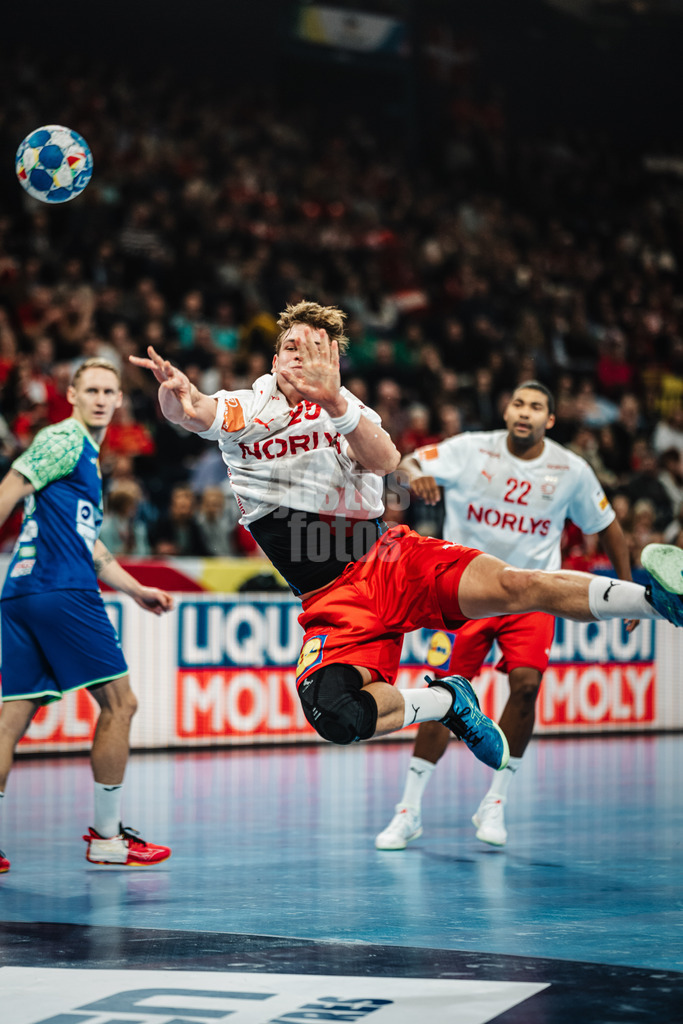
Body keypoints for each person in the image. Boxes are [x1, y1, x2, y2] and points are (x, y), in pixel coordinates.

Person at [130, 301, 683, 774]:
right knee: (334, 715)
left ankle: (656, 600)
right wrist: (176, 395)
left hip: (391, 559)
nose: (304, 357)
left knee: (517, 586)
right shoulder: (250, 407)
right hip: (330, 600)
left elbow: (388, 461)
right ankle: (445, 701)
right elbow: (197, 411)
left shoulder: (349, 408)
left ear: (335, 361)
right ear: (274, 361)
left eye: (319, 349)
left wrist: (336, 403)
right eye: (293, 348)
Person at [375, 381, 633, 851]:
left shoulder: (571, 469)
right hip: (464, 596)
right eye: (518, 403)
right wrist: (415, 476)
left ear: (550, 421)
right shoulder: (472, 450)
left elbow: (610, 528)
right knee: (442, 695)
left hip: (532, 597)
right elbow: (404, 466)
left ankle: (496, 800)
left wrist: (628, 589)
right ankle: (408, 810)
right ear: (506, 409)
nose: (525, 412)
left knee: (527, 686)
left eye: (537, 407)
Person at [0, 358, 173, 874]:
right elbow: (10, 488)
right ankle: (108, 837)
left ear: (119, 401)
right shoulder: (65, 439)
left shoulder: (87, 461)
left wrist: (136, 587)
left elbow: (89, 544)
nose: (100, 398)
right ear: (72, 395)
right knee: (121, 704)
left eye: (108, 391)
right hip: (62, 590)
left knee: (10, 720)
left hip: (21, 593)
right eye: (90, 389)